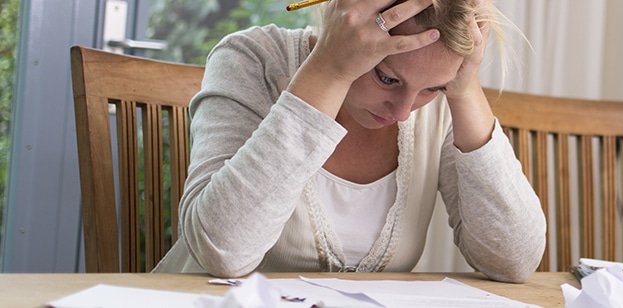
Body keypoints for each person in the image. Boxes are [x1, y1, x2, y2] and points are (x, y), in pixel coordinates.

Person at [152, 0, 546, 283]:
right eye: (387, 79)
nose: (404, 111)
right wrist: (329, 71)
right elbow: (222, 250)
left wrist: (462, 91)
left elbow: (513, 260)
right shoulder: (252, 59)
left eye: (433, 88)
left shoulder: (441, 105)